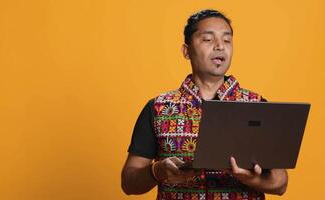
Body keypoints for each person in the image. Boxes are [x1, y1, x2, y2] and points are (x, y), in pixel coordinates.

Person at [121, 9, 288, 200]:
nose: (219, 46)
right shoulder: (158, 108)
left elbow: (280, 182)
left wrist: (250, 178)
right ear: (186, 51)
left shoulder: (258, 106)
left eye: (227, 40)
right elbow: (128, 182)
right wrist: (157, 171)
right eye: (208, 39)